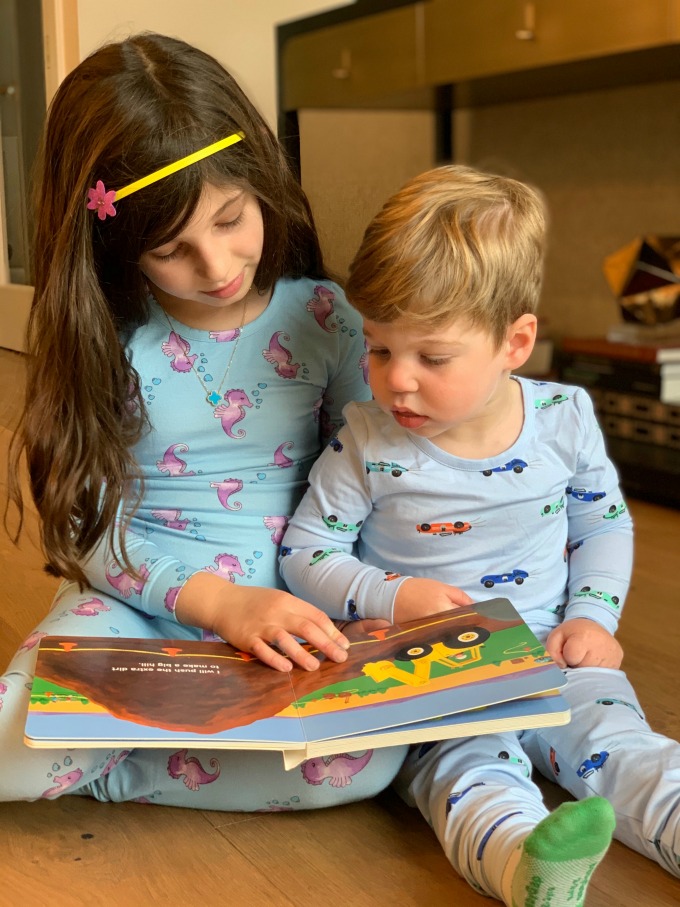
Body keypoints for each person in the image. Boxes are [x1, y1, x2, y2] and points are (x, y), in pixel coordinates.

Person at [0, 32, 408, 807]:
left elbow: (372, 481)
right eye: (171, 248)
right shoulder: (109, 340)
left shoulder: (327, 317)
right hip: (135, 607)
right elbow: (90, 530)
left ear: (261, 179)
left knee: (362, 765)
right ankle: (106, 751)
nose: (217, 267)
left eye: (230, 219)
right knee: (16, 737)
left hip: (290, 615)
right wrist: (216, 602)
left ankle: (109, 765)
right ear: (114, 243)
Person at [280, 164, 680, 906]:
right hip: (428, 670)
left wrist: (594, 614)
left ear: (514, 342)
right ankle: (522, 863)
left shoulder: (564, 418)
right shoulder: (368, 441)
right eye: (379, 348)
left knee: (619, 745)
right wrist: (393, 597)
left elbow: (603, 522)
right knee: (469, 768)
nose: (396, 380)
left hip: (556, 652)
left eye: (431, 357)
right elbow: (306, 552)